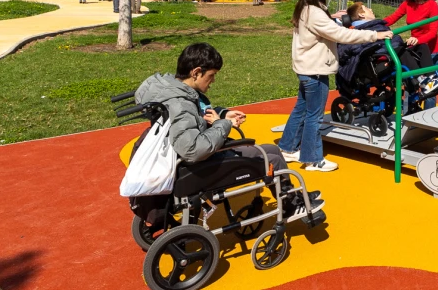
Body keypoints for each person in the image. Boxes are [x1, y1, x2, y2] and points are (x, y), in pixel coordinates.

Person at [133, 44, 315, 218]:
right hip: (201, 164)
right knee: (272, 159)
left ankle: (291, 197)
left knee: (273, 150)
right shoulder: (181, 104)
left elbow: (197, 115)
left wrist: (223, 113)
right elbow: (192, 150)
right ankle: (291, 206)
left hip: (199, 156)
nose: (213, 81)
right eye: (211, 76)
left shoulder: (173, 89)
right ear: (196, 72)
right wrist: (223, 124)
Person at [281, 0, 393, 172]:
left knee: (301, 109)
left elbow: (322, 27)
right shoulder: (314, 13)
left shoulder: (305, 8)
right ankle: (313, 159)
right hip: (315, 70)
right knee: (314, 116)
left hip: (306, 68)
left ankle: (287, 147)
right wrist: (374, 36)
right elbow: (342, 35)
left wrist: (331, 17)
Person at [340, 2, 438, 97]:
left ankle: (432, 79)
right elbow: (353, 48)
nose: (370, 9)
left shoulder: (375, 25)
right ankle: (422, 81)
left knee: (421, 46)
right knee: (401, 51)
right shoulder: (355, 31)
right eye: (366, 8)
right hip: (376, 60)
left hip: (388, 51)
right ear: (361, 15)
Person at [384, 0, 438, 108]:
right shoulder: (408, 3)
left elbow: (433, 32)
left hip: (432, 51)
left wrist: (419, 39)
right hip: (416, 50)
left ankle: (428, 121)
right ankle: (411, 117)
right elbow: (392, 18)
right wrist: (373, 25)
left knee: (430, 88)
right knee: (412, 83)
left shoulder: (431, 5)